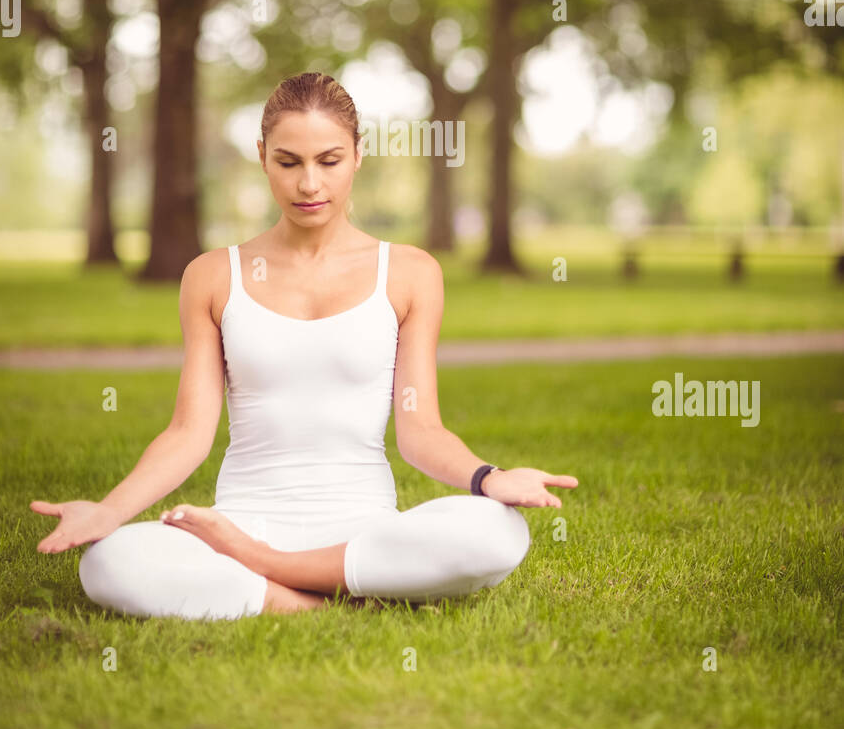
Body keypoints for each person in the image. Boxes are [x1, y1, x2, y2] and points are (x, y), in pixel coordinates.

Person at [31, 72, 578, 619]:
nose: (309, 184)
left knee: (497, 531)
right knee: (109, 563)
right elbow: (188, 433)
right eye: (288, 162)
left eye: (330, 161)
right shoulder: (213, 275)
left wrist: (491, 479)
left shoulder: (410, 273)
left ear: (359, 155)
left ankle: (263, 573)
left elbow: (421, 431)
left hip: (361, 527)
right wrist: (107, 512)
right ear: (262, 156)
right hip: (243, 517)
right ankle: (324, 599)